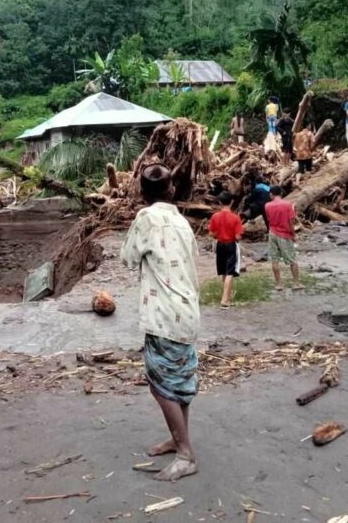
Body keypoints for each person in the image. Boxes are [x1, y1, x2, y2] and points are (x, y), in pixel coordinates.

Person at [121, 164, 200, 482]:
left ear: (143, 194)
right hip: (187, 311)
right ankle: (178, 438)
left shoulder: (146, 218)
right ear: (171, 191)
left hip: (164, 315)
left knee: (160, 386)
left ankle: (186, 454)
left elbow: (127, 258)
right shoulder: (182, 222)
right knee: (178, 382)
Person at [209, 192, 243, 310]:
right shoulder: (235, 217)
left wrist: (218, 235)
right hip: (230, 244)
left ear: (219, 202)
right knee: (230, 272)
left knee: (224, 271)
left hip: (220, 244)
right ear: (232, 202)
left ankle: (227, 297)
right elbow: (238, 236)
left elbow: (212, 233)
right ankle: (224, 300)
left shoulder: (215, 216)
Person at [265, 186, 303, 291]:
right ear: (280, 193)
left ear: (271, 194)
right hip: (285, 234)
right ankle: (296, 283)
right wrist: (293, 235)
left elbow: (269, 219)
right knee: (292, 258)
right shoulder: (288, 205)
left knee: (274, 259)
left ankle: (279, 284)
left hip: (272, 233)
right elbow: (291, 222)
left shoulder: (267, 205)